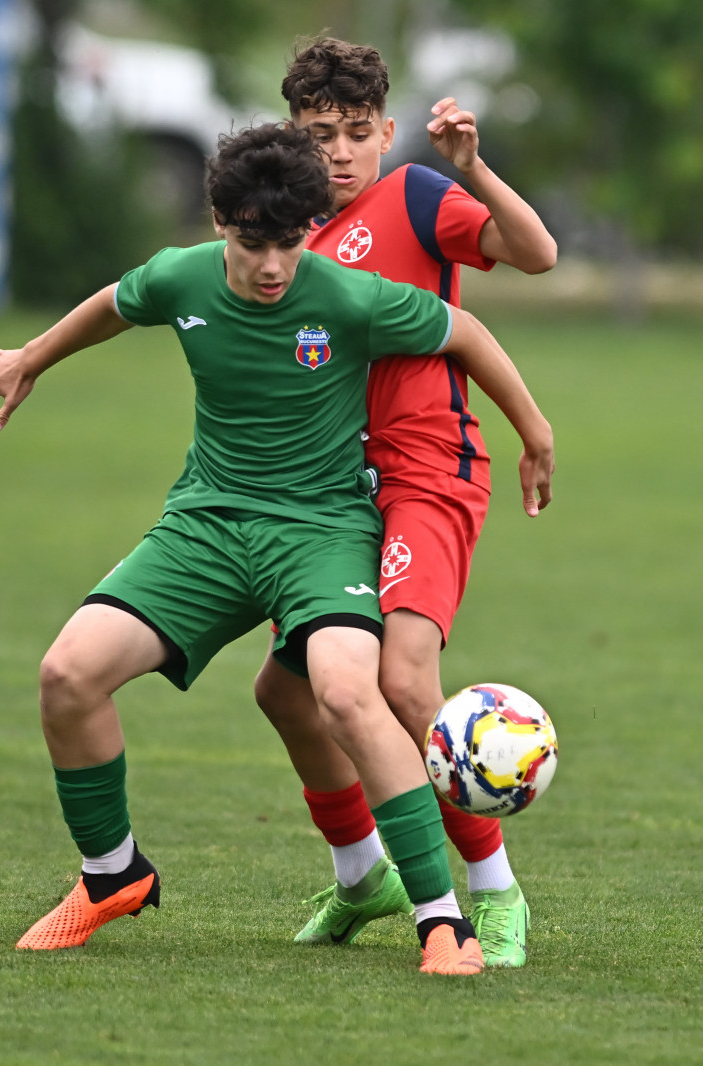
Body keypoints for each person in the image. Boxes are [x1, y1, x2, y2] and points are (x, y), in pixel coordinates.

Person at [0, 122, 552, 975]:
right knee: (68, 674)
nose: (273, 266)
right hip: (206, 526)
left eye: (289, 243)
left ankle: (442, 920)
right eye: (252, 244)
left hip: (322, 530)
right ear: (218, 225)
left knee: (352, 695)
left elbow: (465, 334)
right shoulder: (180, 276)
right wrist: (32, 358)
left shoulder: (347, 294)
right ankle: (111, 875)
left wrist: (532, 433)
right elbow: (114, 304)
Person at [253, 37, 558, 967]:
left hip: (428, 471)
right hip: (338, 492)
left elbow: (536, 254)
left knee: (404, 680)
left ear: (386, 131)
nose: (338, 153)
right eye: (318, 135)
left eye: (354, 133)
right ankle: (363, 876)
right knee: (285, 691)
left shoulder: (418, 196)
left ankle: (497, 896)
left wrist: (472, 166)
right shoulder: (286, 234)